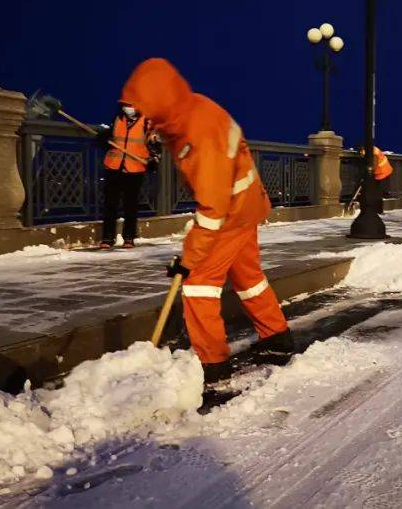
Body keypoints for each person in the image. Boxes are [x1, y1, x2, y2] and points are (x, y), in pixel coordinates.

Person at [121, 58, 292, 384]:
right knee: (248, 278)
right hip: (246, 204)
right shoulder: (189, 110)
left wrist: (188, 259)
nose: (141, 116)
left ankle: (213, 366)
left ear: (160, 101)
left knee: (199, 285)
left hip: (230, 210)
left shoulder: (199, 135)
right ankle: (277, 339)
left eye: (144, 109)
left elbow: (213, 209)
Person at [96, 99, 158, 249]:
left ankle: (129, 238)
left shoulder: (147, 123)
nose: (128, 108)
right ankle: (107, 238)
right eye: (125, 105)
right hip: (114, 167)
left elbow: (154, 145)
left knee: (131, 206)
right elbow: (108, 138)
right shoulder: (118, 119)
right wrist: (103, 139)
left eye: (131, 105)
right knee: (110, 204)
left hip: (135, 169)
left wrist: (153, 160)